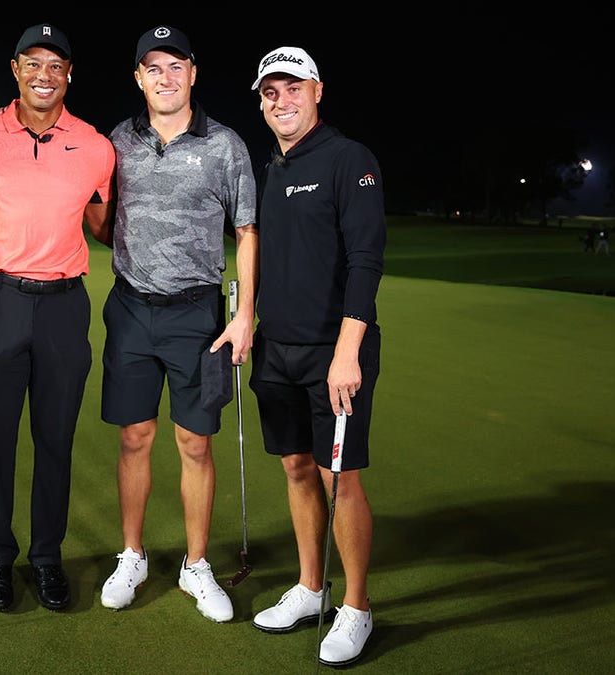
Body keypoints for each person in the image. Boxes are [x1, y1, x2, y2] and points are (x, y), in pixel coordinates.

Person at [0, 22, 115, 613]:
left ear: (70, 75)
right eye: (33, 63)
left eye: (56, 65)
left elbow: (104, 227)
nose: (45, 75)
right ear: (15, 70)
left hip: (66, 306)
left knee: (56, 439)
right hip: (1, 301)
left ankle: (46, 559)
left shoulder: (95, 146)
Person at [97, 25, 257, 623]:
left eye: (175, 66)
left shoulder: (225, 145)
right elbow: (101, 217)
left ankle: (196, 565)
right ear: (139, 78)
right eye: (153, 68)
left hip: (198, 314)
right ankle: (132, 555)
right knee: (135, 436)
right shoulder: (119, 141)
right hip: (132, 308)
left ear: (193, 72)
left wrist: (244, 315)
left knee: (195, 441)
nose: (165, 77)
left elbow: (246, 230)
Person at [246, 46, 386, 667]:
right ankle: (310, 588)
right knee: (297, 469)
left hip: (335, 353)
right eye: (270, 92)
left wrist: (348, 351)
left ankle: (355, 606)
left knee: (339, 477)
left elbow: (366, 261)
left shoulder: (348, 159)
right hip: (277, 351)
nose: (281, 100)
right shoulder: (269, 167)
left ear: (317, 90)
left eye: (292, 88)